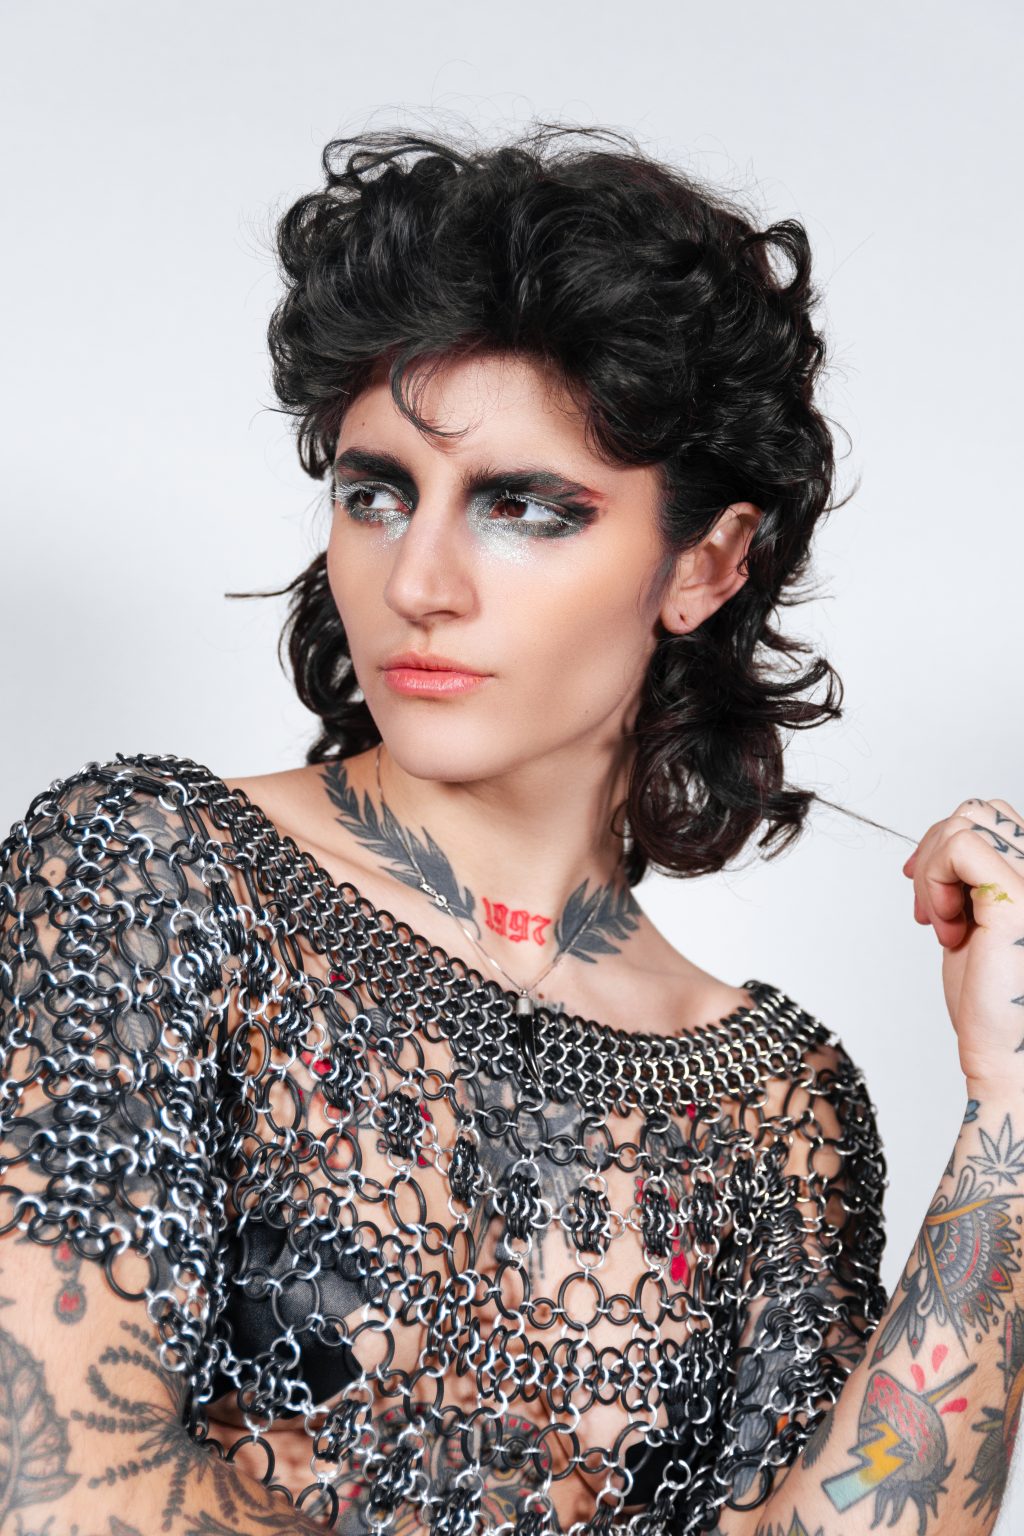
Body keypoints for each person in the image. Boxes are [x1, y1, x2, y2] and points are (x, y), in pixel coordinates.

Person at [0, 123, 1021, 1536]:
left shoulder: (779, 1110)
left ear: (704, 562)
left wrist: (1009, 1112)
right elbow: (59, 1490)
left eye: (525, 507)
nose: (419, 581)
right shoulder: (153, 883)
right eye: (375, 494)